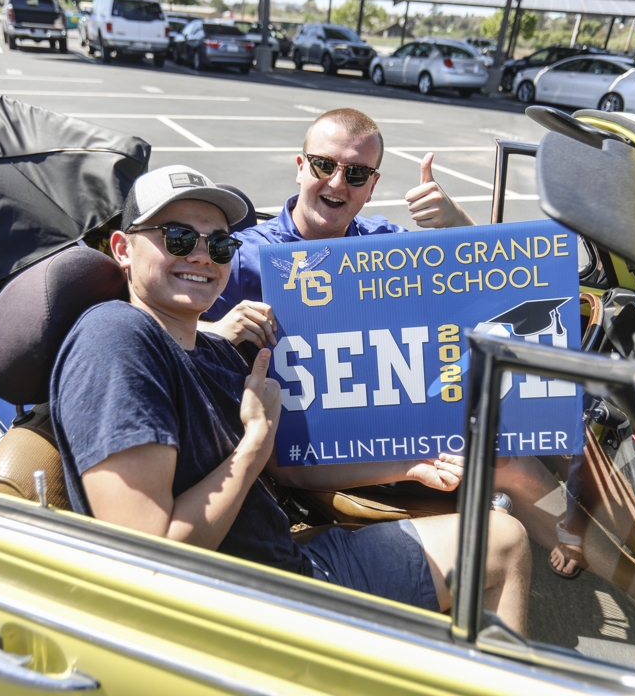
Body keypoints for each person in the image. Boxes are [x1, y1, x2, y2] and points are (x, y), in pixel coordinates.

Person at [51, 164, 531, 629]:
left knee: (500, 534)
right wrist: (253, 444)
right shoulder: (116, 339)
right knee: (502, 542)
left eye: (219, 244)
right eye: (178, 238)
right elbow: (150, 562)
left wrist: (411, 464)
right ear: (123, 249)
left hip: (283, 560)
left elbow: (289, 467)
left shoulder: (211, 351)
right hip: (253, 602)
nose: (201, 256)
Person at [200, 107, 475, 345]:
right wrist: (218, 331)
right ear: (301, 168)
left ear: (372, 187)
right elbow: (175, 325)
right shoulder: (244, 256)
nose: (336, 183)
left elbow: (483, 289)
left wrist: (458, 221)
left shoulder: (386, 249)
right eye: (323, 165)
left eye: (357, 173)